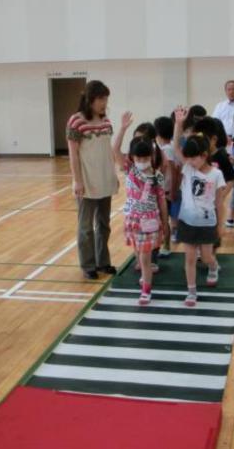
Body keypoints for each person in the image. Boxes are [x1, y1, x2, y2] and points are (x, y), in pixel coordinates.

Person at [67, 81, 119, 280]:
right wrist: (77, 180)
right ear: (90, 99)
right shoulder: (76, 121)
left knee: (104, 224)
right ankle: (88, 265)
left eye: (106, 99)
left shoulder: (105, 120)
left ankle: (103, 262)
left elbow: (107, 151)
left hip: (105, 179)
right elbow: (73, 153)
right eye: (100, 99)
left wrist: (113, 175)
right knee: (86, 227)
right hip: (87, 182)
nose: (104, 103)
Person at [173, 107, 225, 306]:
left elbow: (219, 203)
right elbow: (177, 148)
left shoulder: (216, 174)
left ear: (204, 155)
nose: (190, 161)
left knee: (206, 256)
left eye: (194, 157)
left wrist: (220, 225)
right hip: (187, 221)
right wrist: (178, 124)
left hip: (207, 222)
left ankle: (213, 266)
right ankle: (192, 291)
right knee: (189, 258)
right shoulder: (188, 167)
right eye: (189, 157)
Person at [123, 137, 167, 305]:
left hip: (149, 222)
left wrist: (165, 223)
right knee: (138, 255)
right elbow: (115, 151)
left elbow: (162, 202)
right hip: (133, 220)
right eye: (138, 158)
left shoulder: (157, 177)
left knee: (145, 259)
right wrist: (122, 130)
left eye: (146, 158)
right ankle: (144, 277)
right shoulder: (131, 171)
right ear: (133, 158)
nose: (142, 161)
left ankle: (146, 291)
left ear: (152, 157)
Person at [155, 115, 180, 256]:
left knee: (166, 219)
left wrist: (173, 190)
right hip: (165, 190)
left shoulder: (167, 150)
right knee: (165, 219)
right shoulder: (165, 148)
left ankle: (166, 245)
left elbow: (174, 171)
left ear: (158, 133)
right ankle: (164, 243)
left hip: (167, 191)